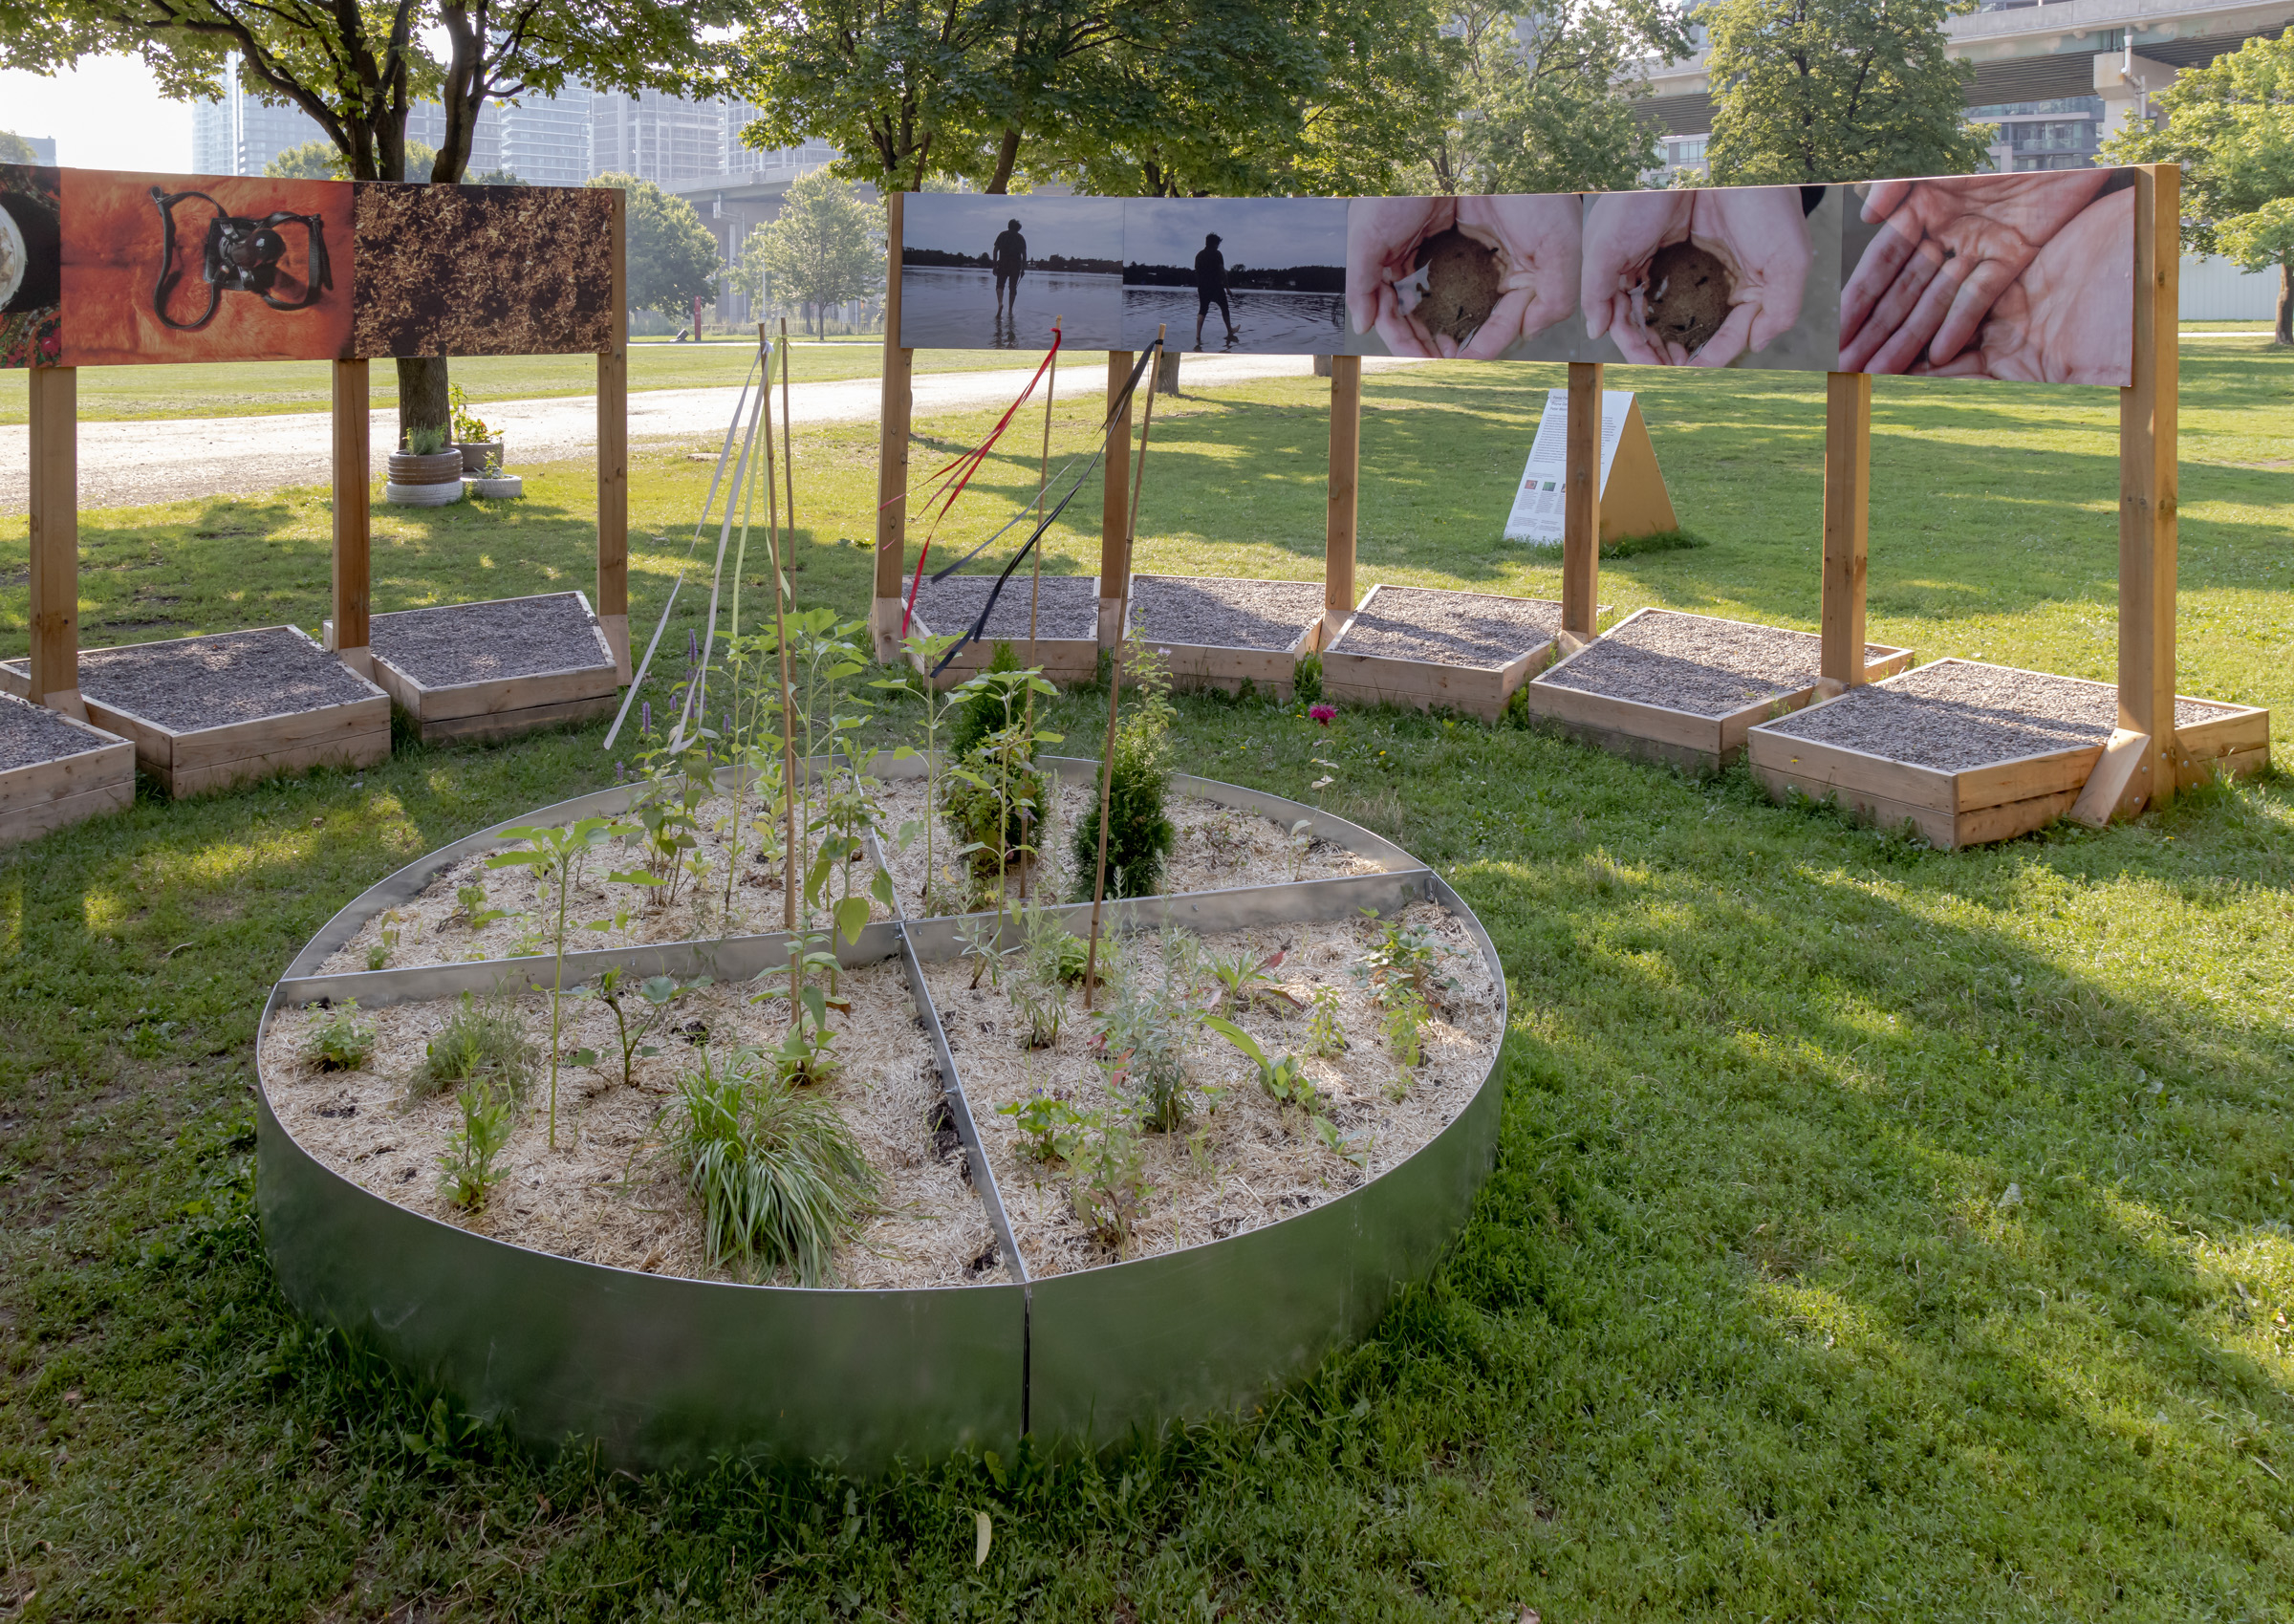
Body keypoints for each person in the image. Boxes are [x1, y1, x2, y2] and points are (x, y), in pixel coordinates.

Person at [1194, 232, 1235, 349]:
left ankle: (1197, 336)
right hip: (1216, 286)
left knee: (1202, 310)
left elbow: (1197, 272)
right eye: (1218, 244)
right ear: (1215, 244)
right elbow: (1222, 272)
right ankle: (1230, 331)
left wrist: (1200, 286)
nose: (1218, 246)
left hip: (1202, 287)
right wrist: (1227, 287)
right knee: (1224, 308)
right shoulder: (1217, 254)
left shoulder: (1199, 255)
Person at [992, 218, 1027, 320]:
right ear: (1018, 229)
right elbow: (1024, 254)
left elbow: (995, 250)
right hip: (1015, 266)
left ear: (1008, 226)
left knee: (999, 286)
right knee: (1012, 288)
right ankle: (1010, 310)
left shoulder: (1002, 235)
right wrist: (1023, 269)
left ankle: (1000, 304)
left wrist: (994, 265)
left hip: (1003, 264)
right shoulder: (1020, 238)